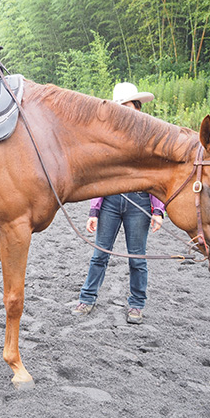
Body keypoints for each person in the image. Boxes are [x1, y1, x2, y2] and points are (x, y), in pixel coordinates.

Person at [72, 82, 164, 324]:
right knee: (100, 254)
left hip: (140, 203)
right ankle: (87, 298)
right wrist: (94, 210)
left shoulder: (149, 139)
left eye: (130, 106)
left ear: (137, 107)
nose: (127, 111)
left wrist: (159, 210)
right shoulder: (109, 140)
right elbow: (100, 176)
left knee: (137, 257)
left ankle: (136, 305)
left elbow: (156, 175)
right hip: (111, 201)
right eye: (122, 107)